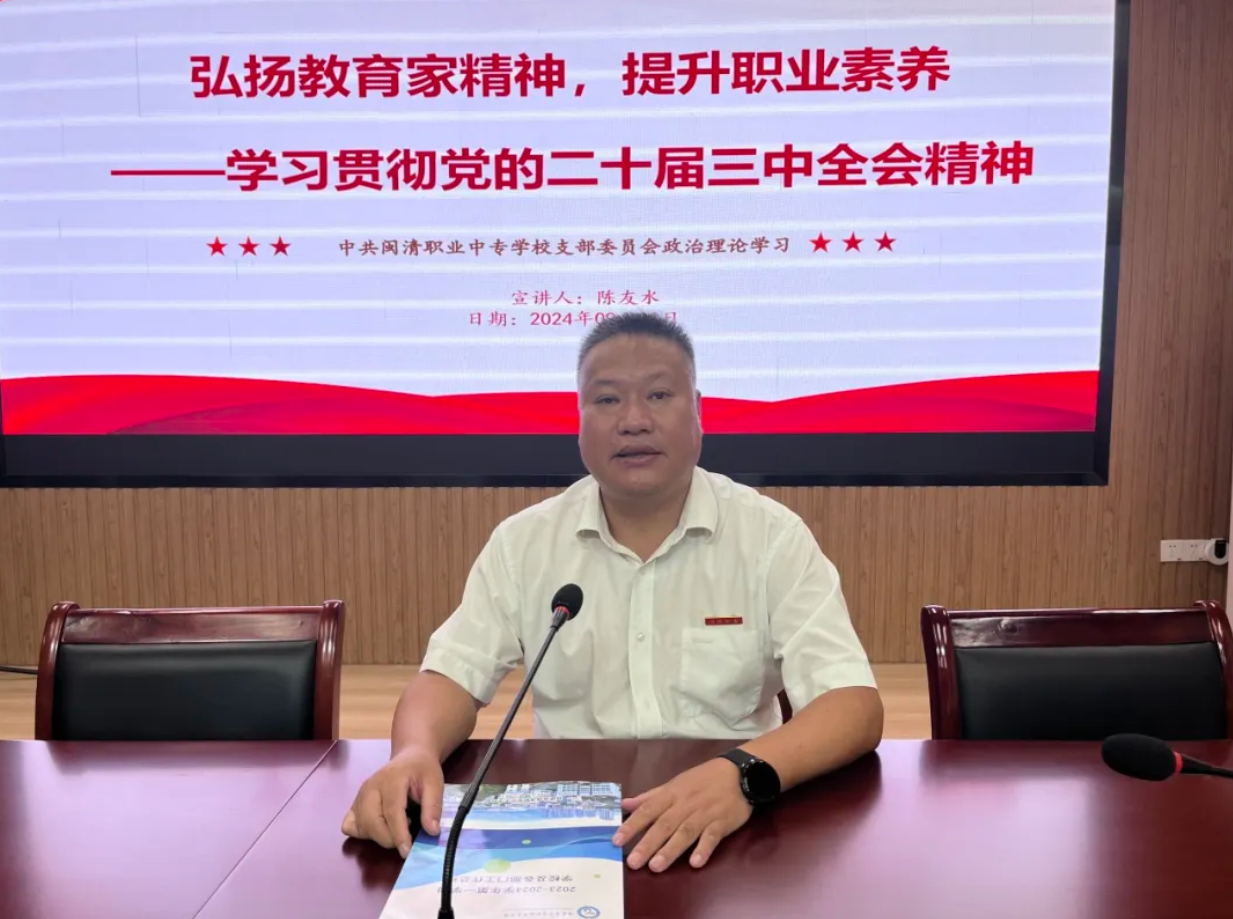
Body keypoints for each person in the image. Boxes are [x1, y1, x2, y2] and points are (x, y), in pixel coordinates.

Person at [342, 312, 883, 873]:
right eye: (606, 400)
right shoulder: (525, 543)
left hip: (733, 824)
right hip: (570, 833)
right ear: (579, 421)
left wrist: (742, 773)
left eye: (659, 395)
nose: (634, 421)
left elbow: (852, 704)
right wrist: (414, 751)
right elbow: (451, 676)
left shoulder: (770, 537)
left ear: (698, 412)